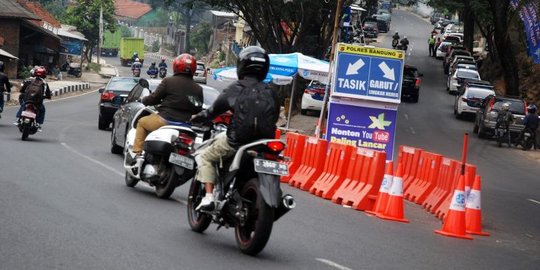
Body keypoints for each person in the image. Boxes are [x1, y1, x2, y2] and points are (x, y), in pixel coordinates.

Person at [190, 46, 280, 210]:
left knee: (205, 157)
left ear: (242, 65)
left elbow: (212, 111)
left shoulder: (235, 88)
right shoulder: (271, 92)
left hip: (236, 141)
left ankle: (209, 197)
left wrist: (197, 118)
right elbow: (274, 117)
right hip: (264, 143)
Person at [132, 53, 203, 159]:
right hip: (185, 124)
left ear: (176, 66)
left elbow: (154, 98)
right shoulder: (198, 88)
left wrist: (144, 100)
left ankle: (137, 154)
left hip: (164, 120)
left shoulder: (168, 81)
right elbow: (197, 108)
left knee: (142, 123)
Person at [16, 67, 51, 131]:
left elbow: (22, 90)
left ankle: (18, 119)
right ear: (44, 75)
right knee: (42, 110)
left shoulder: (29, 80)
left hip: (28, 100)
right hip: (37, 103)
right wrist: (48, 97)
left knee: (23, 106)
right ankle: (38, 123)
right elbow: (48, 94)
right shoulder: (44, 83)